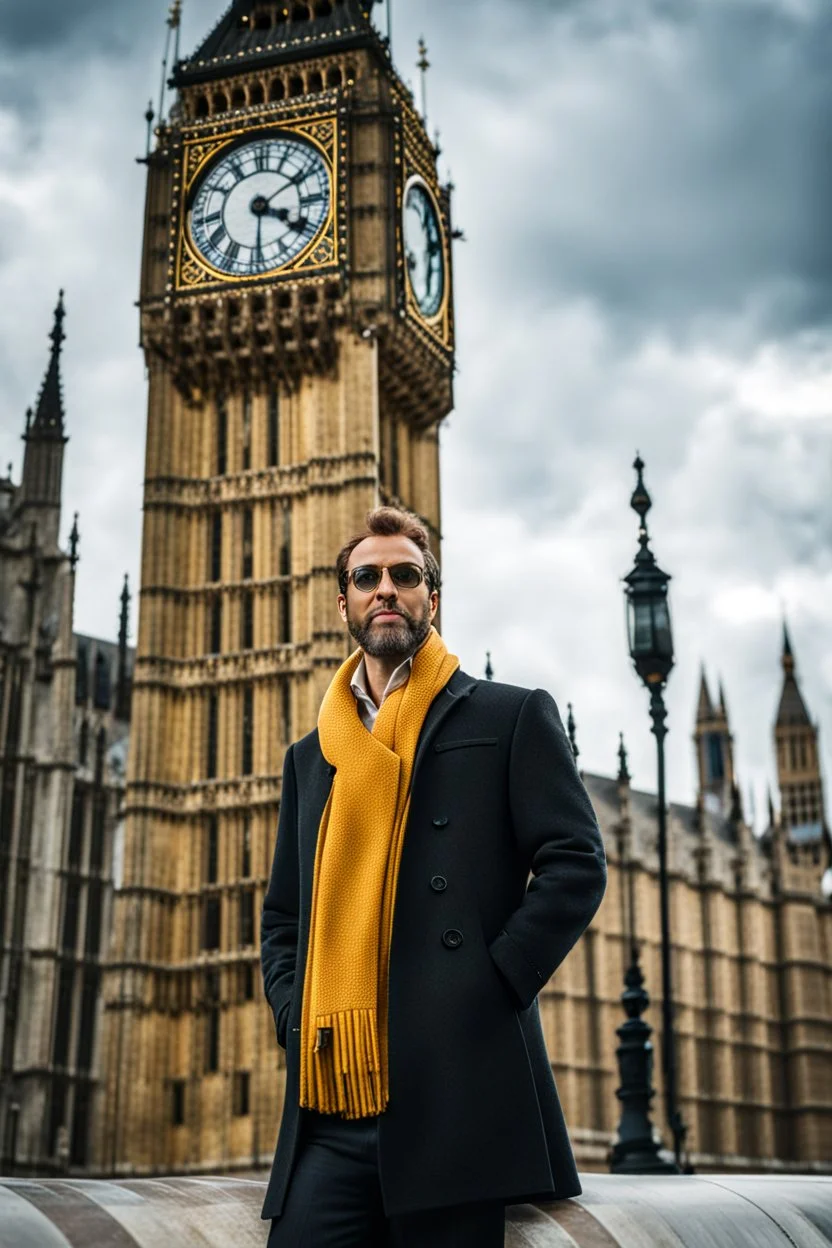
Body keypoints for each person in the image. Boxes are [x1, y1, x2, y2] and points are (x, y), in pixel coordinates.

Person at [260, 506, 607, 1248]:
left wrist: (491, 981)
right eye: (368, 577)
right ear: (344, 602)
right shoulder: (310, 755)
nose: (386, 589)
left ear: (432, 598)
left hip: (458, 1101)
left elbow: (576, 862)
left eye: (405, 575)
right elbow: (284, 919)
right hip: (332, 1107)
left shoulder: (508, 715)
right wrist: (295, 1016)